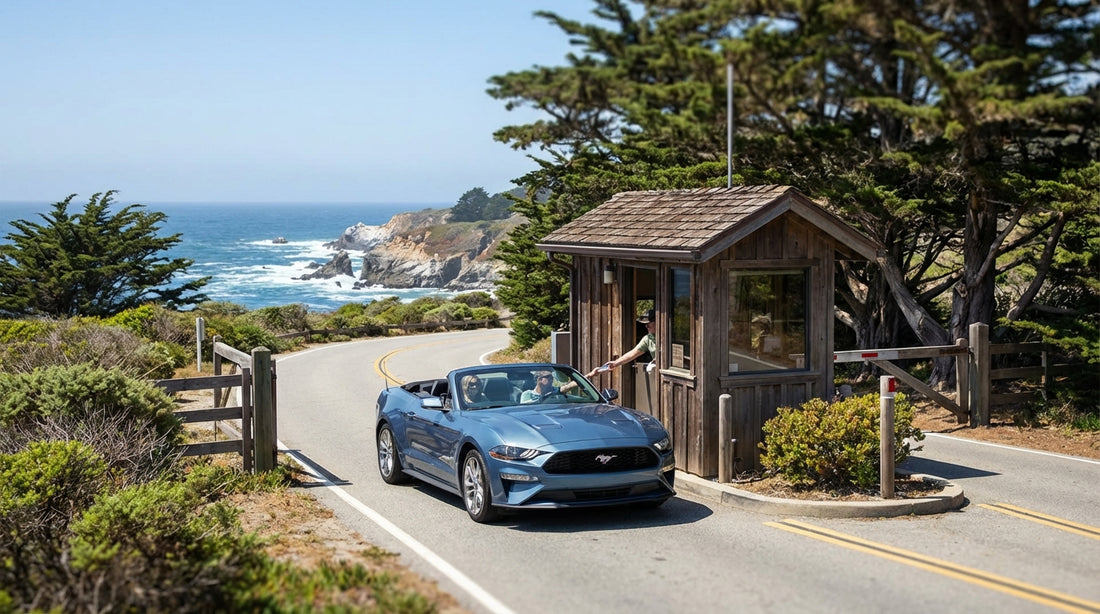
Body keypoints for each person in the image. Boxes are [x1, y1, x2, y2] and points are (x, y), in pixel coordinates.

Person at [587, 308, 657, 378]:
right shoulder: (648, 339)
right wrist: (615, 363)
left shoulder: (666, 336)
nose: (646, 326)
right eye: (645, 324)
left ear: (657, 322)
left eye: (648, 323)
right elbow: (632, 354)